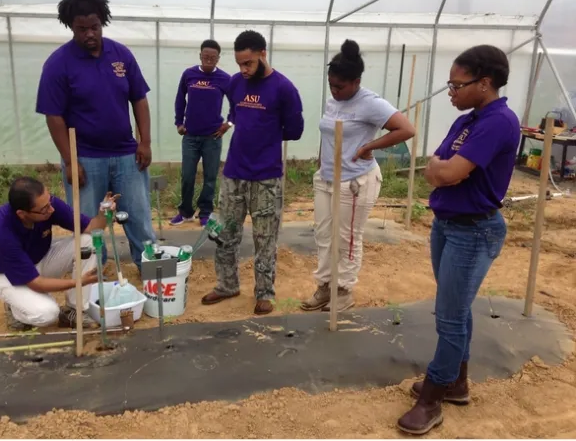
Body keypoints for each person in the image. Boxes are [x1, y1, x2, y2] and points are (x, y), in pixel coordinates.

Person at [397, 45, 519, 435]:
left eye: (457, 83)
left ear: (484, 83)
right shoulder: (468, 120)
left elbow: (448, 173)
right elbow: (440, 165)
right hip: (447, 224)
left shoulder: (498, 122)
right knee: (456, 310)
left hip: (473, 230)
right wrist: (443, 169)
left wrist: (445, 170)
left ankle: (432, 397)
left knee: (449, 316)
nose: (450, 90)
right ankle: (457, 383)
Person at [35, 0, 155, 273]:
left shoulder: (121, 55)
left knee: (138, 217)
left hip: (127, 154)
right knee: (89, 223)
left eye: (94, 27)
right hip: (86, 158)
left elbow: (139, 98)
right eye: (81, 29)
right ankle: (93, 275)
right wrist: (70, 160)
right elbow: (54, 117)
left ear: (102, 22)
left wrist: (145, 142)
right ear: (71, 27)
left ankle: (150, 269)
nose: (89, 33)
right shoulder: (58, 64)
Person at [301, 39, 415, 313]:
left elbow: (406, 129)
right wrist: (321, 162)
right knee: (324, 236)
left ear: (356, 81)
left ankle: (343, 290)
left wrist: (369, 147)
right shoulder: (332, 101)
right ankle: (325, 286)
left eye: (340, 86)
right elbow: (328, 132)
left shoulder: (370, 102)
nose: (335, 91)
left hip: (355, 181)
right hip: (326, 178)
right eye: (331, 85)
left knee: (347, 238)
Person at [200, 30, 304, 315]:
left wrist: (266, 133)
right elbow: (234, 113)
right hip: (234, 172)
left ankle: (264, 292)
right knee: (225, 234)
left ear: (262, 54)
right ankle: (227, 285)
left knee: (265, 237)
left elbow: (295, 130)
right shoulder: (235, 83)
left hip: (266, 176)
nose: (243, 69)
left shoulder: (284, 88)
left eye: (249, 63)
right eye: (239, 63)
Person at [0, 177, 118, 330]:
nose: (51, 210)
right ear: (22, 213)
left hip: (40, 260)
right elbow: (36, 283)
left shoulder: (48, 204)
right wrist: (78, 282)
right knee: (47, 314)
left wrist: (103, 213)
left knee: (88, 241)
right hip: (6, 276)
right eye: (44, 209)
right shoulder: (0, 231)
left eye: (49, 203)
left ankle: (74, 311)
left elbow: (91, 228)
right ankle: (15, 309)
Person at [170, 39, 232, 227]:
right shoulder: (189, 74)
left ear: (218, 58)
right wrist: (179, 122)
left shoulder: (224, 79)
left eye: (213, 57)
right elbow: (180, 99)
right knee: (187, 175)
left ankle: (205, 212)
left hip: (212, 137)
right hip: (190, 136)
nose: (209, 60)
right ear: (200, 56)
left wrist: (227, 124)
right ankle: (186, 211)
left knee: (210, 177)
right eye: (206, 57)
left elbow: (237, 104)